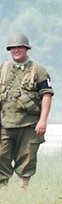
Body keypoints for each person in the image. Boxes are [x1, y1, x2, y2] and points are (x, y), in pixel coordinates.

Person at [0, 33, 54, 188]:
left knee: (27, 157)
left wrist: (43, 120)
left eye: (19, 47)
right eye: (13, 48)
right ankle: (2, 191)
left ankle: (22, 189)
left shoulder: (38, 70)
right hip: (5, 123)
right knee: (1, 156)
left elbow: (47, 95)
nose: (16, 50)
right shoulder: (2, 69)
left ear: (26, 49)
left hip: (30, 124)